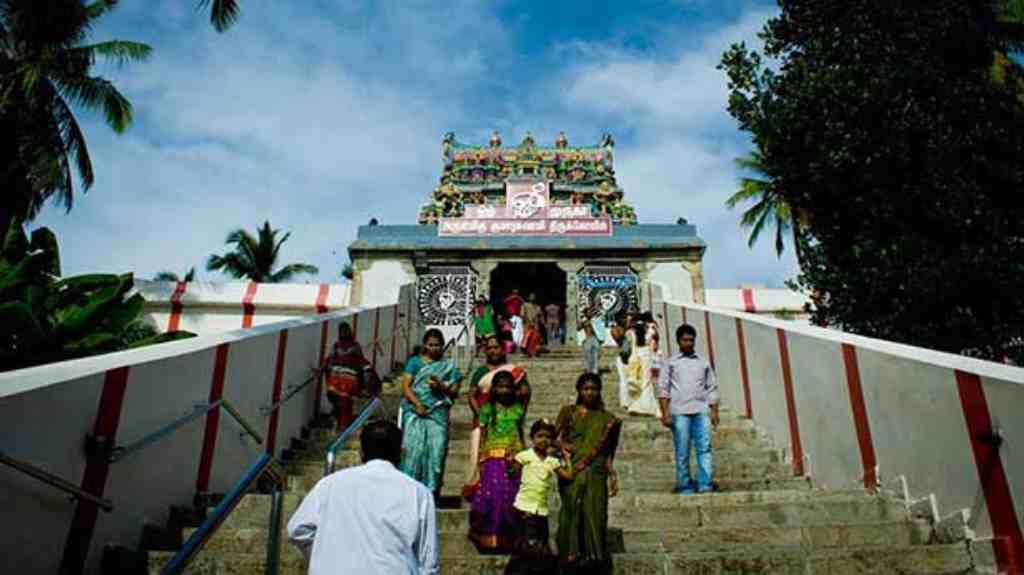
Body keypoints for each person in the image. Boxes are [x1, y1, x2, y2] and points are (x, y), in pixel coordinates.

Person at [287, 419, 439, 575]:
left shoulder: (329, 485)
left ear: (361, 453)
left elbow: (297, 529)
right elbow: (428, 562)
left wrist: (326, 554)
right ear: (402, 452)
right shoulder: (418, 493)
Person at [555, 373, 621, 574]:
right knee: (570, 514)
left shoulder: (608, 420)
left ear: (600, 391)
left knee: (596, 515)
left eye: (594, 388)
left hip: (596, 472)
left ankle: (594, 560)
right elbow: (552, 438)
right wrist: (563, 446)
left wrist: (612, 475)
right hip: (572, 472)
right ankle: (569, 558)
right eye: (585, 388)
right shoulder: (568, 412)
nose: (589, 392)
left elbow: (609, 451)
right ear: (579, 391)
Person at [504, 419, 574, 575]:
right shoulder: (525, 455)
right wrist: (508, 461)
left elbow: (568, 476)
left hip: (541, 511)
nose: (544, 440)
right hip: (524, 508)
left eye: (548, 437)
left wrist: (567, 458)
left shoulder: (552, 461)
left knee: (541, 545)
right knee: (527, 546)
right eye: (539, 436)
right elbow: (512, 473)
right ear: (532, 438)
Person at [400, 329, 464, 498]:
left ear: (443, 346)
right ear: (424, 345)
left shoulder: (449, 367)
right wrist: (417, 404)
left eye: (437, 345)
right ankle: (408, 493)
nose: (434, 348)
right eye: (430, 345)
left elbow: (454, 392)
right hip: (415, 412)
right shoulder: (414, 362)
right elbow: (406, 387)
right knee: (413, 452)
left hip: (438, 413)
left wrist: (441, 386)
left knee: (436, 453)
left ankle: (431, 492)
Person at [468, 371, 527, 552]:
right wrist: (480, 460)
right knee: (492, 496)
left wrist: (523, 457)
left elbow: (520, 432)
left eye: (508, 386)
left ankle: (509, 539)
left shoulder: (518, 408)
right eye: (500, 386)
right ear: (493, 389)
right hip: (493, 458)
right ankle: (488, 538)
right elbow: (483, 435)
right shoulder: (487, 409)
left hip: (514, 457)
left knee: (511, 497)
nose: (504, 390)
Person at [464, 335, 530, 496]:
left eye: (496, 347)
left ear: (503, 349)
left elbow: (526, 392)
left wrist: (517, 409)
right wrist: (482, 415)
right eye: (490, 348)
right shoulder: (480, 371)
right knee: (477, 459)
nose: (493, 351)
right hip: (485, 421)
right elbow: (471, 395)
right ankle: (479, 493)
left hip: (508, 420)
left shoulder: (513, 370)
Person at [657, 324, 720, 494]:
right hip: (680, 412)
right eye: (685, 340)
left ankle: (705, 483)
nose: (688, 343)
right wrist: (665, 413)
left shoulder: (703, 362)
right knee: (682, 450)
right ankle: (684, 484)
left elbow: (711, 387)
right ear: (678, 341)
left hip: (701, 410)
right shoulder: (671, 363)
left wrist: (714, 411)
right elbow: (663, 389)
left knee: (704, 448)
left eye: (691, 340)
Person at [322, 322, 370, 430]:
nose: (344, 333)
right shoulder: (336, 346)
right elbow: (329, 360)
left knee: (346, 402)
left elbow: (360, 361)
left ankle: (344, 426)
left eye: (345, 330)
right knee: (337, 401)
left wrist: (362, 382)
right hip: (336, 379)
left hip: (349, 380)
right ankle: (340, 423)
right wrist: (323, 368)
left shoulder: (355, 346)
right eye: (341, 331)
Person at [625, 312, 661, 416]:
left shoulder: (632, 331)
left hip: (637, 356)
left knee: (641, 381)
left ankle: (639, 405)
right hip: (648, 356)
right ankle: (647, 406)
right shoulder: (651, 329)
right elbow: (654, 344)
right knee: (647, 382)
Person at [608, 318, 631, 408]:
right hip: (624, 356)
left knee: (626, 381)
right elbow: (618, 337)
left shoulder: (621, 330)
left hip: (626, 355)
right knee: (624, 381)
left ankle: (626, 401)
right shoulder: (618, 330)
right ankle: (625, 401)